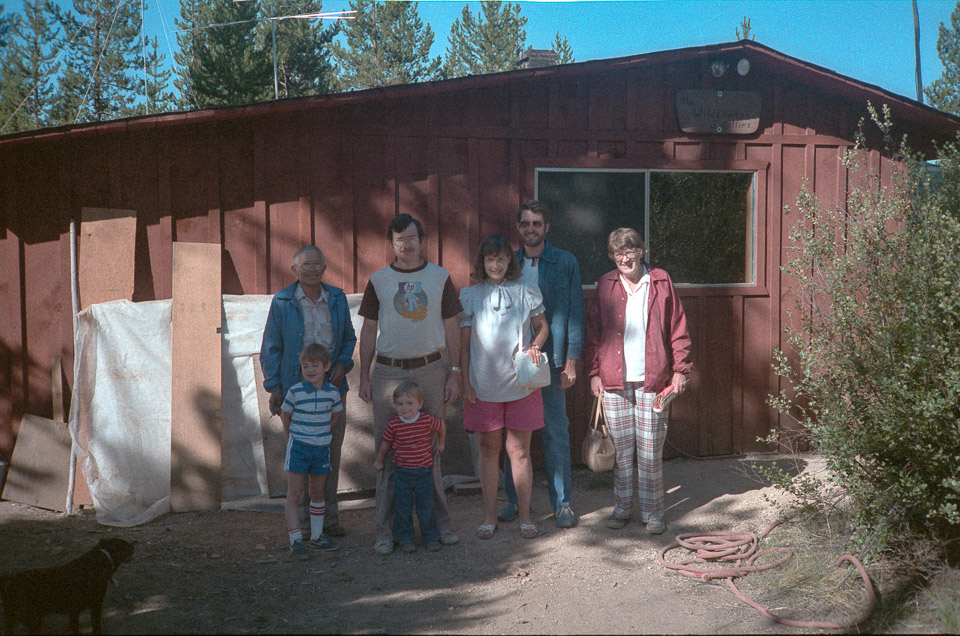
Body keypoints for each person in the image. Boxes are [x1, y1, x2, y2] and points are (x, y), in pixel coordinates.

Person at [357, 213, 462, 555]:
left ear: (421, 239)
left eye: (412, 238)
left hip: (432, 369)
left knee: (431, 452)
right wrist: (364, 376)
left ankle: (439, 528)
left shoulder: (439, 277)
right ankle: (386, 533)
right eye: (400, 239)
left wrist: (455, 371)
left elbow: (451, 326)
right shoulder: (379, 280)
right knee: (387, 456)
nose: (407, 244)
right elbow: (369, 330)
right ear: (392, 243)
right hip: (388, 372)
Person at [583, 228, 692, 534]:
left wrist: (680, 369)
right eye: (618, 253)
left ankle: (654, 512)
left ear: (641, 251)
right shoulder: (606, 285)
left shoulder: (659, 281)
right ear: (611, 256)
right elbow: (593, 333)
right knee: (621, 451)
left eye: (630, 251)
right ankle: (622, 508)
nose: (624, 258)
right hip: (614, 380)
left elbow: (677, 327)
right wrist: (594, 373)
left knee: (649, 451)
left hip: (653, 380)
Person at [260, 245, 357, 538]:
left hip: (332, 389)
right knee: (299, 454)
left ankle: (328, 519)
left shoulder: (337, 298)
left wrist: (342, 364)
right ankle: (301, 522)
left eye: (318, 264)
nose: (313, 269)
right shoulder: (283, 301)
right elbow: (271, 347)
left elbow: (349, 339)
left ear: (325, 267)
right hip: (295, 390)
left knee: (329, 452)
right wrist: (274, 386)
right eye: (306, 265)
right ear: (294, 270)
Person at [499, 200, 584, 529]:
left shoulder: (565, 262)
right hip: (513, 364)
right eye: (525, 223)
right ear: (518, 227)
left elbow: (574, 313)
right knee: (514, 437)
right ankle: (514, 502)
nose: (530, 229)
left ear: (546, 227)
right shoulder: (509, 264)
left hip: (553, 361)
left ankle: (562, 504)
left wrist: (571, 363)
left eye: (536, 223)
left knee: (555, 433)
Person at [460, 234, 549, 540]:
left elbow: (543, 327)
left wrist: (534, 347)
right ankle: (489, 516)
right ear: (481, 263)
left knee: (519, 452)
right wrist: (464, 382)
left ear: (509, 261)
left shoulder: (526, 290)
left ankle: (525, 516)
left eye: (501, 259)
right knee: (488, 450)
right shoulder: (471, 295)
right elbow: (463, 344)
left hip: (521, 384)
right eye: (489, 259)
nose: (495, 265)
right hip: (482, 386)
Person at [280, 344, 343, 559]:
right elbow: (285, 415)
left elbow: (335, 416)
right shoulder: (295, 391)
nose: (310, 370)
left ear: (326, 366)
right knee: (294, 494)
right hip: (298, 448)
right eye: (305, 366)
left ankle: (317, 536)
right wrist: (293, 437)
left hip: (321, 448)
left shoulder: (332, 393)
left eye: (315, 365)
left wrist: (322, 433)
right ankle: (296, 539)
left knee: (317, 492)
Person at [373, 381, 446, 553]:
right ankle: (405, 538)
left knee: (426, 506)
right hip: (402, 473)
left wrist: (441, 443)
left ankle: (431, 537)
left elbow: (441, 426)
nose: (404, 408)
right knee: (403, 507)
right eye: (400, 404)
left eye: (409, 403)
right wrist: (379, 460)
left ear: (420, 404)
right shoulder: (394, 425)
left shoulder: (426, 420)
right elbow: (385, 445)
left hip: (424, 472)